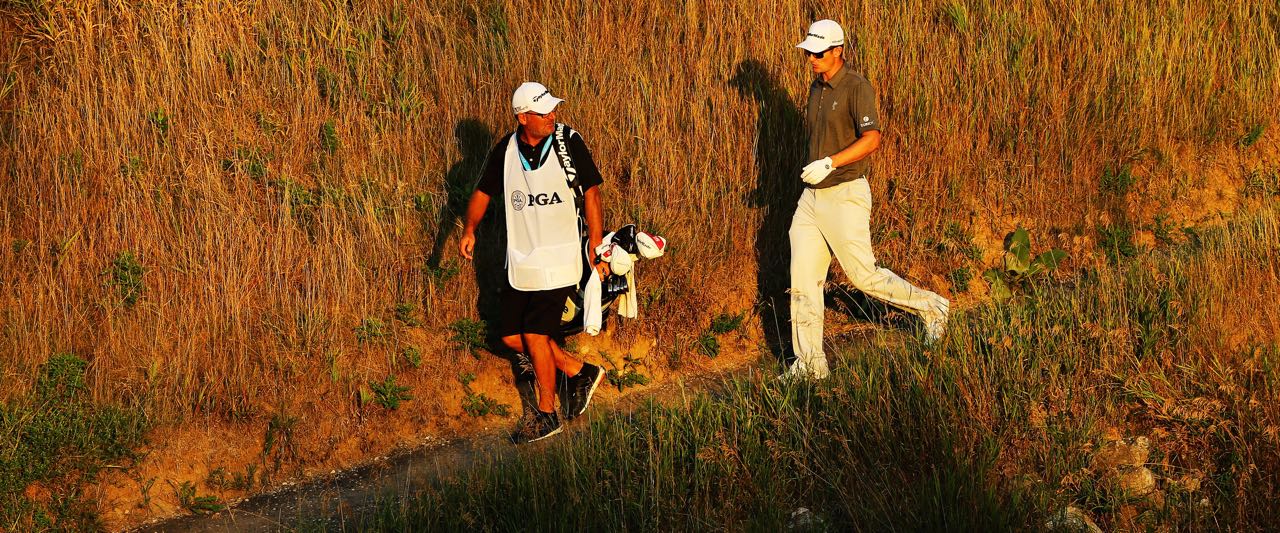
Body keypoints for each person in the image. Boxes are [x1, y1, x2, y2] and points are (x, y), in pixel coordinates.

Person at [782, 20, 950, 381]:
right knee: (803, 280)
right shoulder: (817, 88)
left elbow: (872, 139)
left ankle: (932, 307)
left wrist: (830, 162)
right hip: (811, 197)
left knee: (864, 276)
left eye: (818, 52)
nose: (811, 57)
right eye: (808, 52)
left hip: (845, 193)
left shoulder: (857, 87)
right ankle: (810, 364)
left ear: (838, 50)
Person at [459, 82, 608, 443]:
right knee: (511, 336)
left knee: (536, 335)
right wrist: (469, 229)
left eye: (552, 109)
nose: (551, 116)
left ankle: (546, 413)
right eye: (543, 112)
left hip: (561, 256)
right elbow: (482, 191)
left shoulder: (568, 141)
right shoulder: (506, 151)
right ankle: (577, 371)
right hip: (523, 259)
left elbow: (591, 192)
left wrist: (595, 242)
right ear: (522, 117)